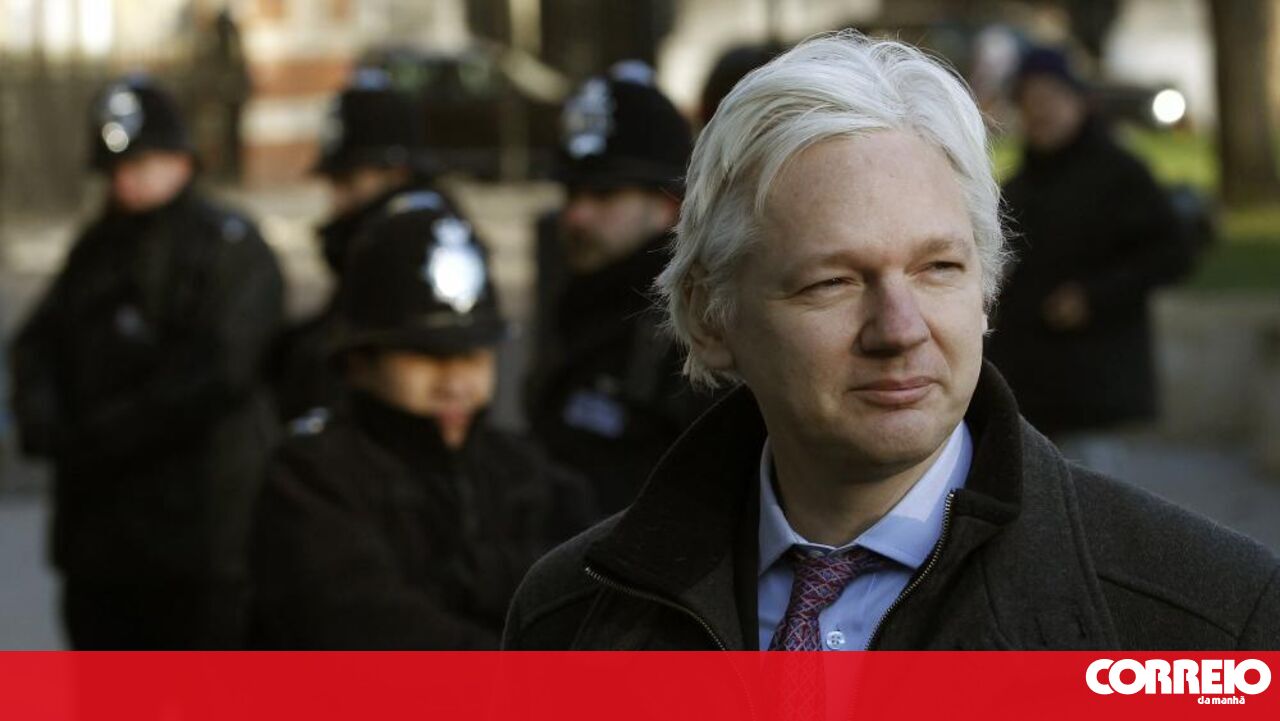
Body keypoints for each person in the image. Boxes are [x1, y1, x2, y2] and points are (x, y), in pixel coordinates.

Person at [503, 33, 1280, 651]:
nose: (900, 328)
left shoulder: (1209, 627)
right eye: (832, 282)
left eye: (938, 268)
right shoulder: (569, 621)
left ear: (986, 289)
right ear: (711, 319)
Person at [9, 75, 284, 649]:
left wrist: (110, 429)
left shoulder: (226, 245)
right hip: (101, 546)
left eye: (140, 163)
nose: (125, 181)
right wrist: (42, 413)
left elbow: (223, 367)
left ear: (181, 160)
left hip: (197, 541)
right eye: (114, 169)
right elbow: (38, 342)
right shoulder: (98, 247)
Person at [251, 196, 593, 649]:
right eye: (427, 357)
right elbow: (371, 632)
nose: (456, 384)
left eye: (472, 357)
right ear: (360, 363)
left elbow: (590, 609)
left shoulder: (523, 471)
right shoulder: (311, 477)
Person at [526, 61, 714, 515]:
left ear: (668, 204)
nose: (576, 216)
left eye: (604, 195)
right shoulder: (581, 299)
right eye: (572, 194)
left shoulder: (698, 328)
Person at [985, 47, 1193, 444]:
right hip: (1029, 388)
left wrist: (1093, 297)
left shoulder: (1120, 175)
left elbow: (1170, 253)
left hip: (1097, 388)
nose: (1039, 111)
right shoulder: (1021, 185)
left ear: (1079, 100)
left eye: (1049, 97)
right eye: (1029, 100)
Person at [270, 68, 460, 423]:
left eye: (348, 181)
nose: (337, 200)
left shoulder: (416, 252)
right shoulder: (368, 242)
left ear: (397, 174)